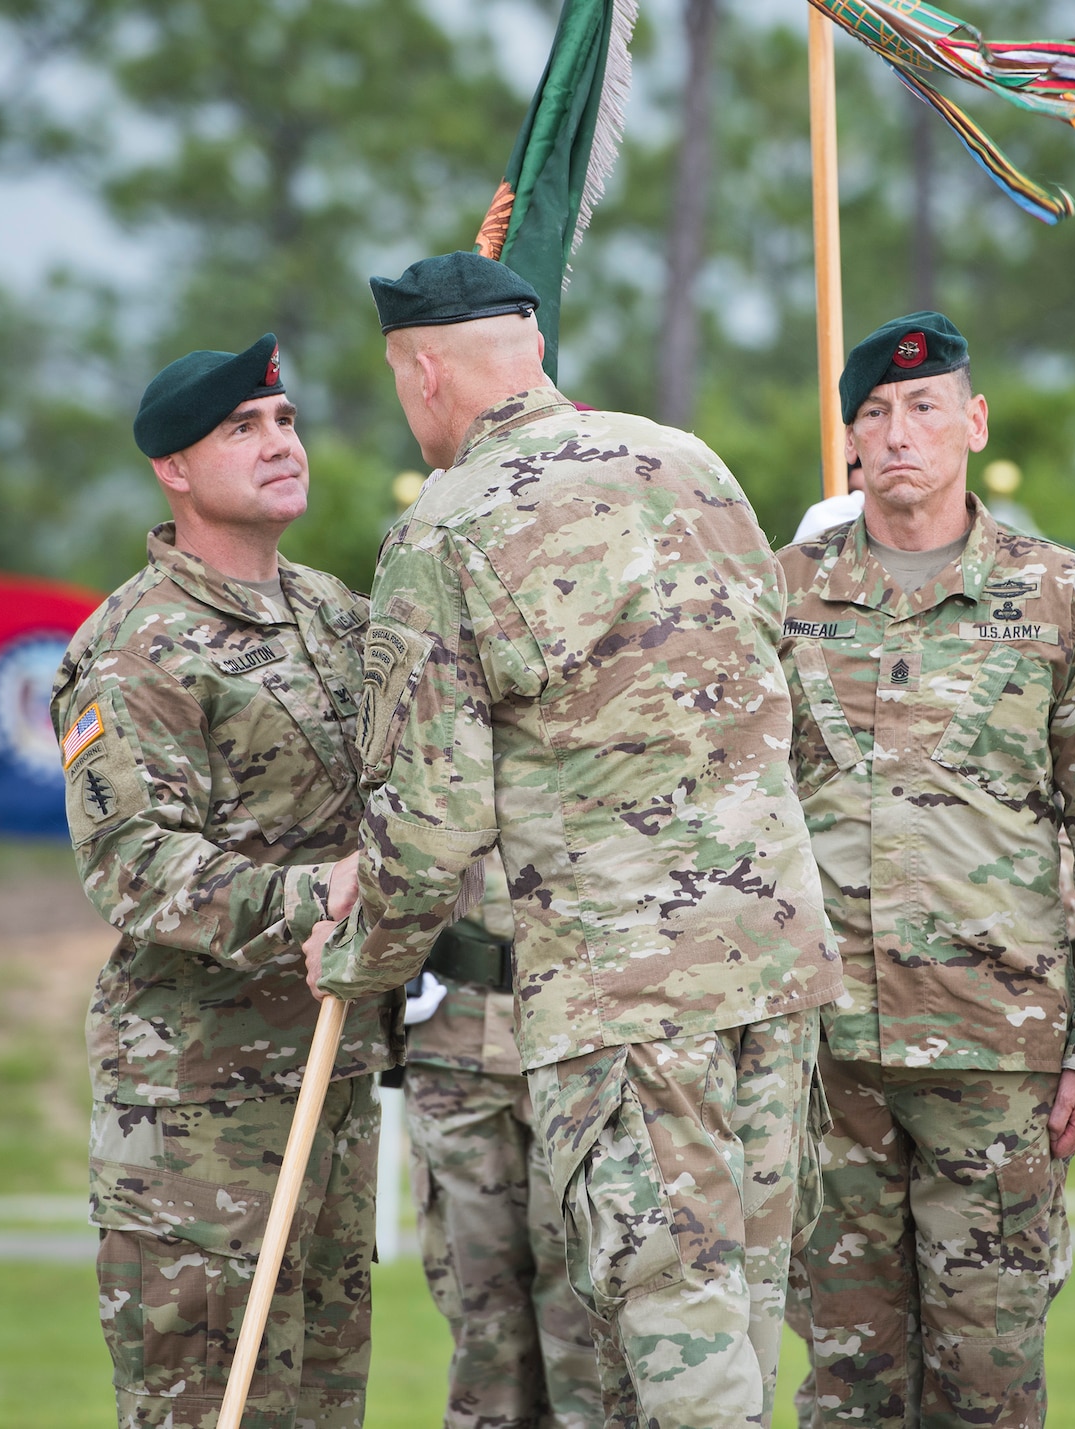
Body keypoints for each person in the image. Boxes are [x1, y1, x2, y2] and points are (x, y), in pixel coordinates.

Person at [309, 250, 844, 1428]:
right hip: (770, 955)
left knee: (672, 1313)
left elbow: (432, 815)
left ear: (423, 372)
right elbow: (788, 700)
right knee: (744, 1302)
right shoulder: (689, 464)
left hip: (624, 984)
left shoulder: (442, 533)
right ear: (533, 348)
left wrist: (358, 960)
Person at [776, 311, 1075, 1426]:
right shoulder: (783, 592)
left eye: (922, 406)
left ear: (971, 419)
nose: (897, 431)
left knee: (988, 1383)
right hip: (823, 1055)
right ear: (848, 436)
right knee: (845, 1384)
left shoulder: (1058, 595)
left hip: (995, 1057)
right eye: (873, 412)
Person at [50, 334, 397, 1428]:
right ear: (174, 469)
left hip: (329, 1080)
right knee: (210, 1409)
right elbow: (133, 865)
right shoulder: (136, 647)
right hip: (198, 1111)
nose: (278, 442)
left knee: (320, 1406)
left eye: (285, 420)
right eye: (240, 428)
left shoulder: (335, 614)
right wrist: (317, 896)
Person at [401, 851, 609, 1429]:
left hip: (583, 1044)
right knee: (480, 1311)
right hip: (453, 1045)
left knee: (588, 1310)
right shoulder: (430, 756)